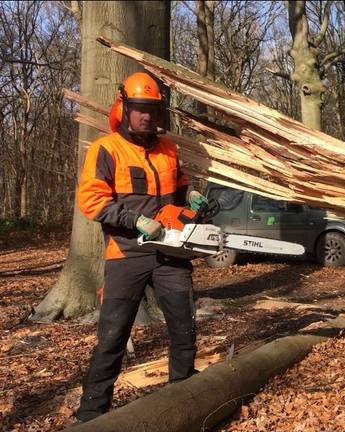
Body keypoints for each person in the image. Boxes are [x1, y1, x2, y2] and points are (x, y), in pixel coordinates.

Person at [75, 71, 206, 422]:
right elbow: (92, 201)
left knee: (183, 326)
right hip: (126, 254)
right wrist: (133, 220)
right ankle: (91, 414)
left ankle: (184, 397)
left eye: (152, 109)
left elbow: (177, 187)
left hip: (170, 252)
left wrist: (189, 194)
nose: (146, 115)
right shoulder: (107, 150)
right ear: (124, 108)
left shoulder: (167, 149)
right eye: (139, 108)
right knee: (112, 338)